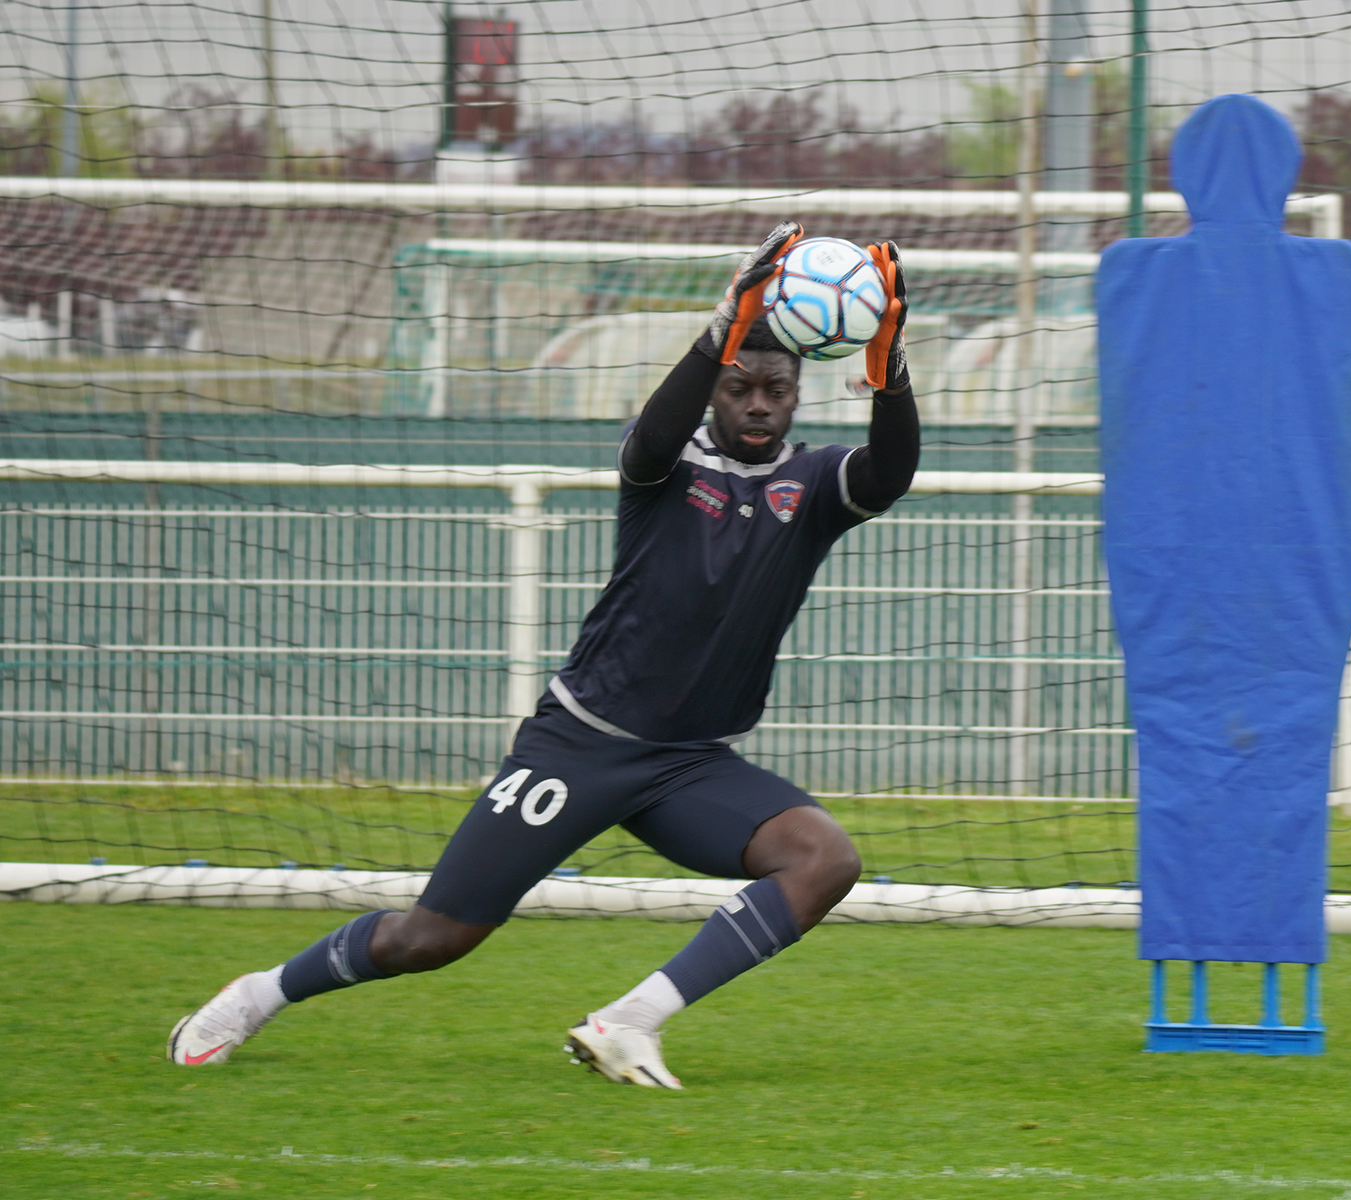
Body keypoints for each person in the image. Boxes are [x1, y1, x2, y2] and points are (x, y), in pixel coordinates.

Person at [166, 222, 920, 1089]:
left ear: (797, 394)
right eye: (740, 387)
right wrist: (721, 323)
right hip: (582, 747)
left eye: (775, 390)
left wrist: (887, 358)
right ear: (717, 390)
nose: (757, 404)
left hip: (689, 766)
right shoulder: (667, 468)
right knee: (432, 937)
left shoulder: (814, 485)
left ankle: (631, 1022)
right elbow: (649, 438)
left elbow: (891, 471)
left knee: (825, 858)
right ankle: (258, 994)